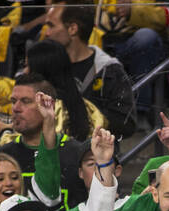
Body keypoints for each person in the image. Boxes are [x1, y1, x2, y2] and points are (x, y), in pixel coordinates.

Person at [42, 3, 135, 137]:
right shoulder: (44, 66)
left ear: (72, 29)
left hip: (95, 154)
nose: (47, 33)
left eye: (51, 26)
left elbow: (127, 125)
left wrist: (84, 113)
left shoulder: (110, 71)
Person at [0, 73, 87, 211]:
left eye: (25, 101)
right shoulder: (3, 155)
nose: (16, 108)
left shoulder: (77, 154)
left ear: (48, 104)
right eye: (13, 101)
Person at [94, 0, 169, 117]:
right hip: (100, 42)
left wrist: (133, 11)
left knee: (145, 38)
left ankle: (140, 110)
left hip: (133, 44)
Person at [26, 39, 96, 142]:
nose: (25, 72)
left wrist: (4, 132)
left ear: (41, 71)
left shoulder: (51, 107)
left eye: (28, 66)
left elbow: (39, 145)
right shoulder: (79, 102)